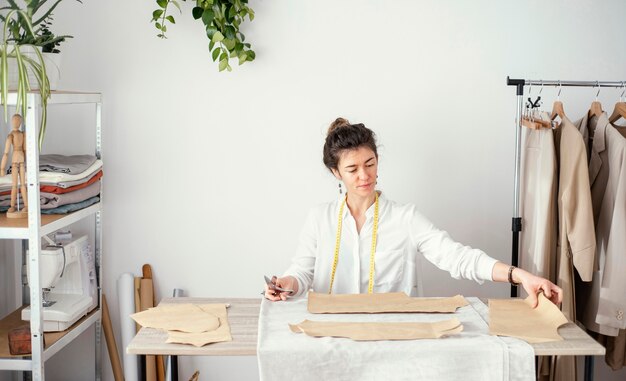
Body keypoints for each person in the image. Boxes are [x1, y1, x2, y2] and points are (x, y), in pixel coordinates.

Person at [265, 118, 563, 308]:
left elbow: (457, 257)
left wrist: (518, 274)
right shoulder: (320, 219)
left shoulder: (405, 219)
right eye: (352, 169)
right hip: (331, 337)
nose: (364, 175)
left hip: (395, 339)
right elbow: (302, 271)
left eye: (370, 164)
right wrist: (286, 285)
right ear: (335, 173)